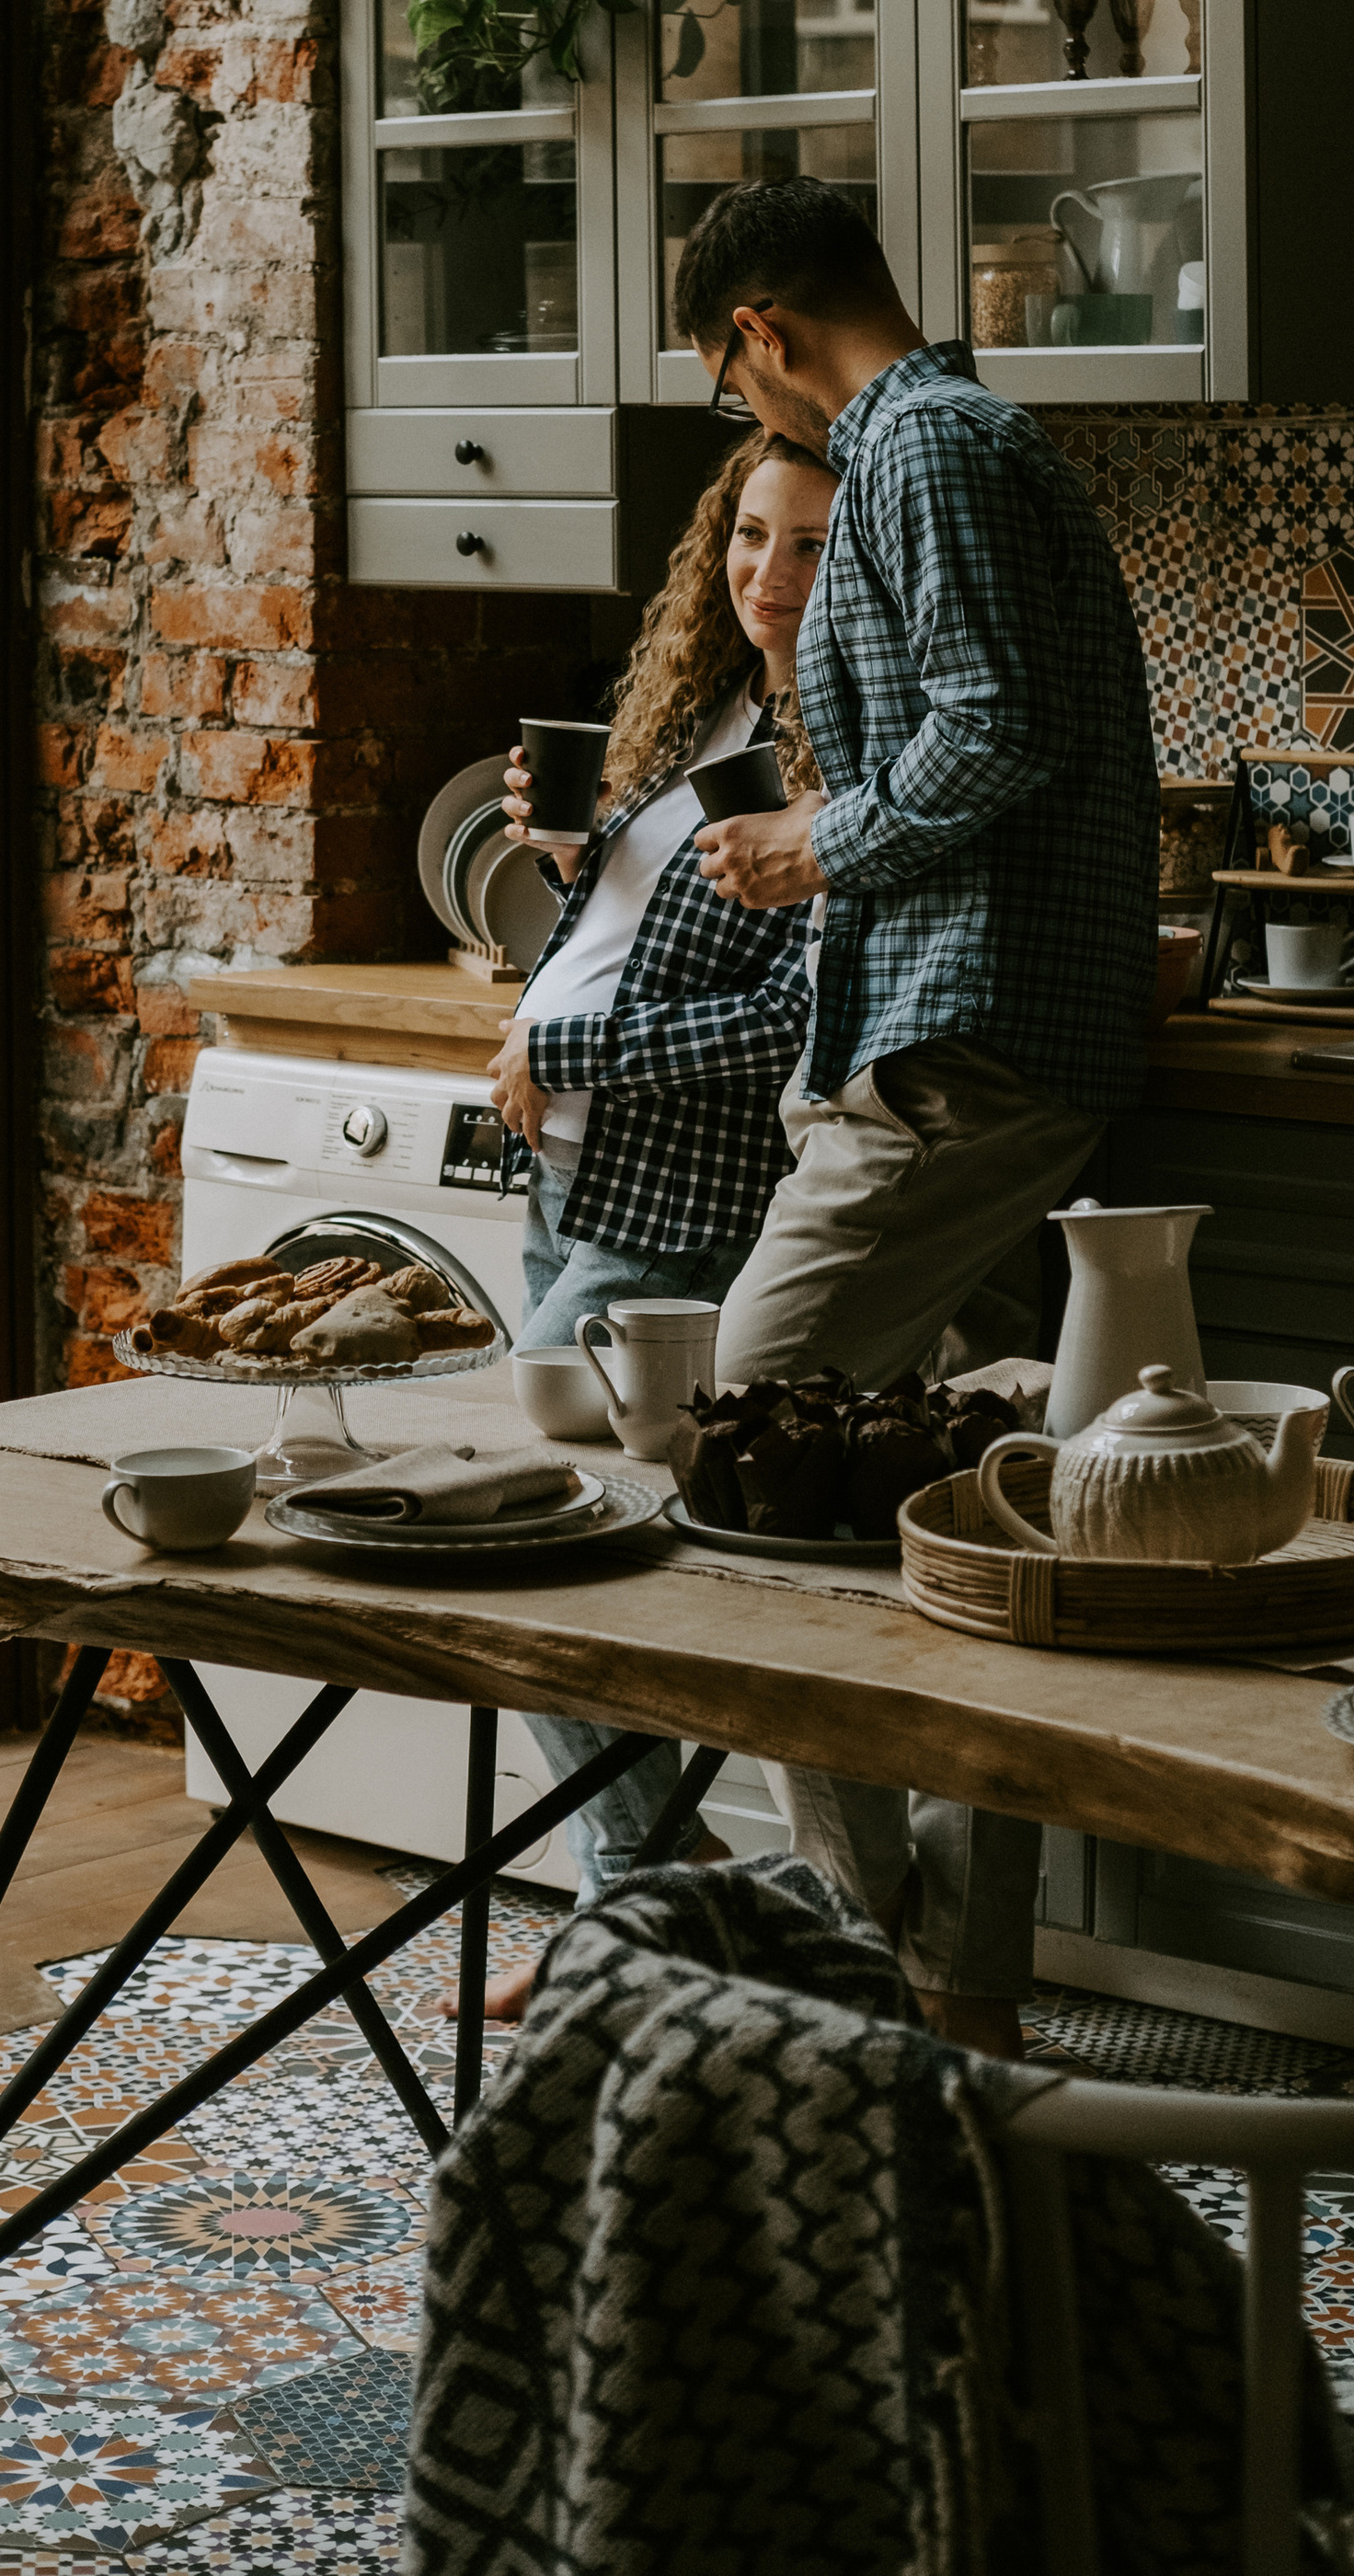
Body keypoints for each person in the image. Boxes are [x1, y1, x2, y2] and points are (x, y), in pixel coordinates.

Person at [676, 174, 1158, 2061]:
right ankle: (960, 1987)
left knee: (753, 1414)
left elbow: (996, 725)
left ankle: (858, 1964)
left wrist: (816, 841)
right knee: (974, 1522)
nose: (743, 412)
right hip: (955, 1029)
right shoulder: (934, 445)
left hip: (969, 1040)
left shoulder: (927, 452)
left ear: (763, 333)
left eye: (729, 377)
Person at [454, 430, 836, 2020]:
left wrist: (571, 1050)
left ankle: (633, 1905)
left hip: (677, 1202)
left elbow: (795, 1018)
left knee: (524, 1529)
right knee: (574, 1545)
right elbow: (645, 935)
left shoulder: (843, 748)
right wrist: (575, 856)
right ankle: (659, 1904)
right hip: (572, 1182)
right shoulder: (711, 712)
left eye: (809, 544)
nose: (766, 572)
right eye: (748, 534)